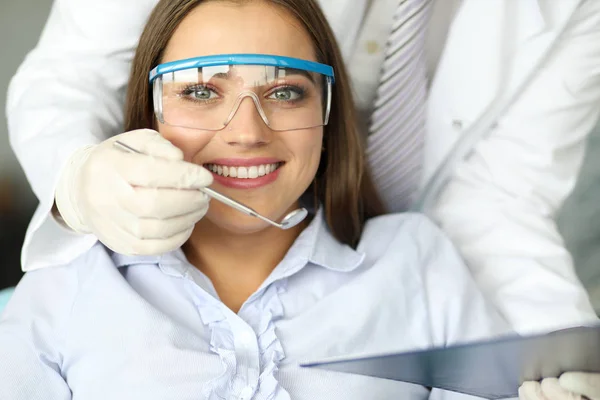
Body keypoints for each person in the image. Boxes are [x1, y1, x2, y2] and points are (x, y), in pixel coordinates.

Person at [6, 0, 600, 398]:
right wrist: (80, 180)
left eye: (286, 91)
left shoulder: (420, 267)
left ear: (328, 112)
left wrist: (565, 358)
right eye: (203, 90)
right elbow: (70, 76)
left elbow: (501, 198)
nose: (246, 130)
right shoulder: (69, 288)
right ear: (149, 107)